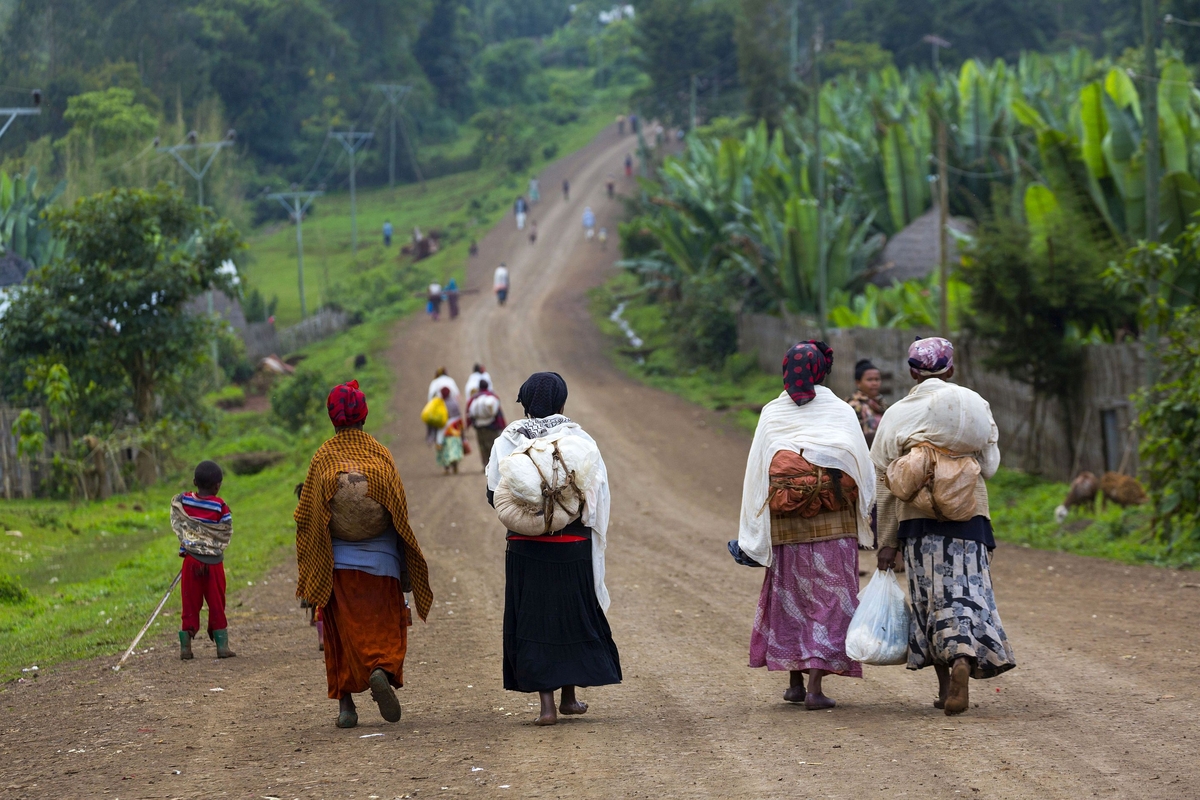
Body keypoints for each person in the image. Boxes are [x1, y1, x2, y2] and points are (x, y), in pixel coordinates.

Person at [872, 337, 1015, 716]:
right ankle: (963, 661)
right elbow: (990, 466)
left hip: (918, 521)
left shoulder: (898, 413)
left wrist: (887, 542)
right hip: (970, 516)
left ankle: (942, 687)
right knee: (966, 593)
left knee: (929, 598)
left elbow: (885, 479)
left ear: (911, 372)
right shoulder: (973, 404)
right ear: (950, 370)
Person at [734, 342, 875, 709]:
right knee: (829, 602)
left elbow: (757, 474)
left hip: (787, 529)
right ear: (822, 371)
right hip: (834, 526)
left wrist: (754, 528)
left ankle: (796, 683)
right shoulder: (841, 411)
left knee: (791, 601)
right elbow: (862, 465)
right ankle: (813, 686)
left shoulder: (772, 413)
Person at [294, 380, 433, 729]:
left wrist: (311, 574)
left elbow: (307, 517)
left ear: (333, 417)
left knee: (341, 637)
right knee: (385, 627)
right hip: (382, 564)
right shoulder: (380, 454)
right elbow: (399, 514)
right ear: (363, 415)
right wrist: (406, 570)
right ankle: (380, 669)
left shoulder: (323, 457)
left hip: (337, 569)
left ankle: (346, 707)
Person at [486, 373, 621, 725]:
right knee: (570, 619)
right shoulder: (578, 438)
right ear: (562, 404)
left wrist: (533, 516)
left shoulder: (508, 439)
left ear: (526, 405)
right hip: (571, 545)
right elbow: (596, 494)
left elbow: (493, 493)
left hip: (524, 546)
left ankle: (547, 708)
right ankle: (570, 699)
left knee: (534, 621)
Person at [172, 460, 237, 660]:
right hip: (214, 564)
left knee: (190, 602)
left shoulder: (185, 502)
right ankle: (222, 647)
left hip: (191, 561)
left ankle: (186, 648)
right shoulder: (220, 506)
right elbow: (225, 530)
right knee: (216, 602)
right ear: (218, 485)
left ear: (194, 482)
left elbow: (183, 527)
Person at [467, 379, 506, 470]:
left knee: (482, 446)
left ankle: (485, 465)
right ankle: (494, 466)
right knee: (493, 446)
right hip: (491, 426)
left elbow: (469, 412)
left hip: (479, 427)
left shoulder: (474, 398)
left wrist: (469, 424)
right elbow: (498, 413)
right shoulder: (492, 396)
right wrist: (501, 425)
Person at [846, 359, 886, 447]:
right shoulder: (853, 405)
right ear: (858, 383)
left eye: (877, 379)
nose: (875, 383)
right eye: (870, 380)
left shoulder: (881, 404)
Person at [436, 386, 465, 475]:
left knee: (444, 449)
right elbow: (458, 416)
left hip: (443, 429)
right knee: (454, 448)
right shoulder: (454, 403)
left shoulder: (440, 403)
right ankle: (455, 466)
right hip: (454, 429)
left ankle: (446, 469)